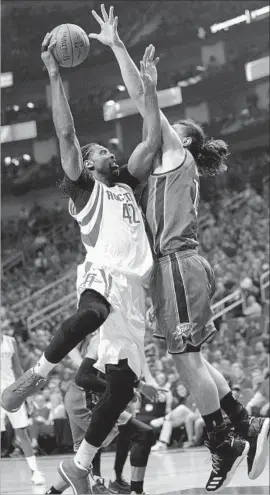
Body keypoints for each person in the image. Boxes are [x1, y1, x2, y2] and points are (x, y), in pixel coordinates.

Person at [88, 4, 270, 492]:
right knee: (193, 357)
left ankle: (223, 442)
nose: (165, 128)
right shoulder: (169, 170)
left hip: (178, 264)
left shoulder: (176, 153)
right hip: (178, 267)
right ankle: (242, 421)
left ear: (183, 141)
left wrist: (117, 47)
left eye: (174, 127)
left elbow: (141, 103)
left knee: (186, 360)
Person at [2, 30, 162, 495]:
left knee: (122, 387)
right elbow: (67, 133)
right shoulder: (84, 188)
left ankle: (79, 466)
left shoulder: (127, 184)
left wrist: (148, 88)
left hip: (134, 290)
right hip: (102, 270)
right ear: (87, 165)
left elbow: (151, 139)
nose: (107, 151)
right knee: (92, 312)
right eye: (99, 152)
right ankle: (37, 375)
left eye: (108, 150)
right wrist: (54, 73)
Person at [46, 332, 154, 495]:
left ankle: (54, 491)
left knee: (87, 453)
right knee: (137, 434)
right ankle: (113, 484)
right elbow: (85, 377)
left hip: (94, 396)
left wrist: (134, 385)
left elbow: (109, 370)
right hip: (84, 397)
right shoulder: (94, 338)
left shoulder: (110, 336)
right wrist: (126, 388)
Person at [0, 333, 45, 485]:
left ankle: (35, 472)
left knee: (22, 431)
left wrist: (27, 393)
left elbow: (17, 368)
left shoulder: (10, 341)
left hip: (12, 390)